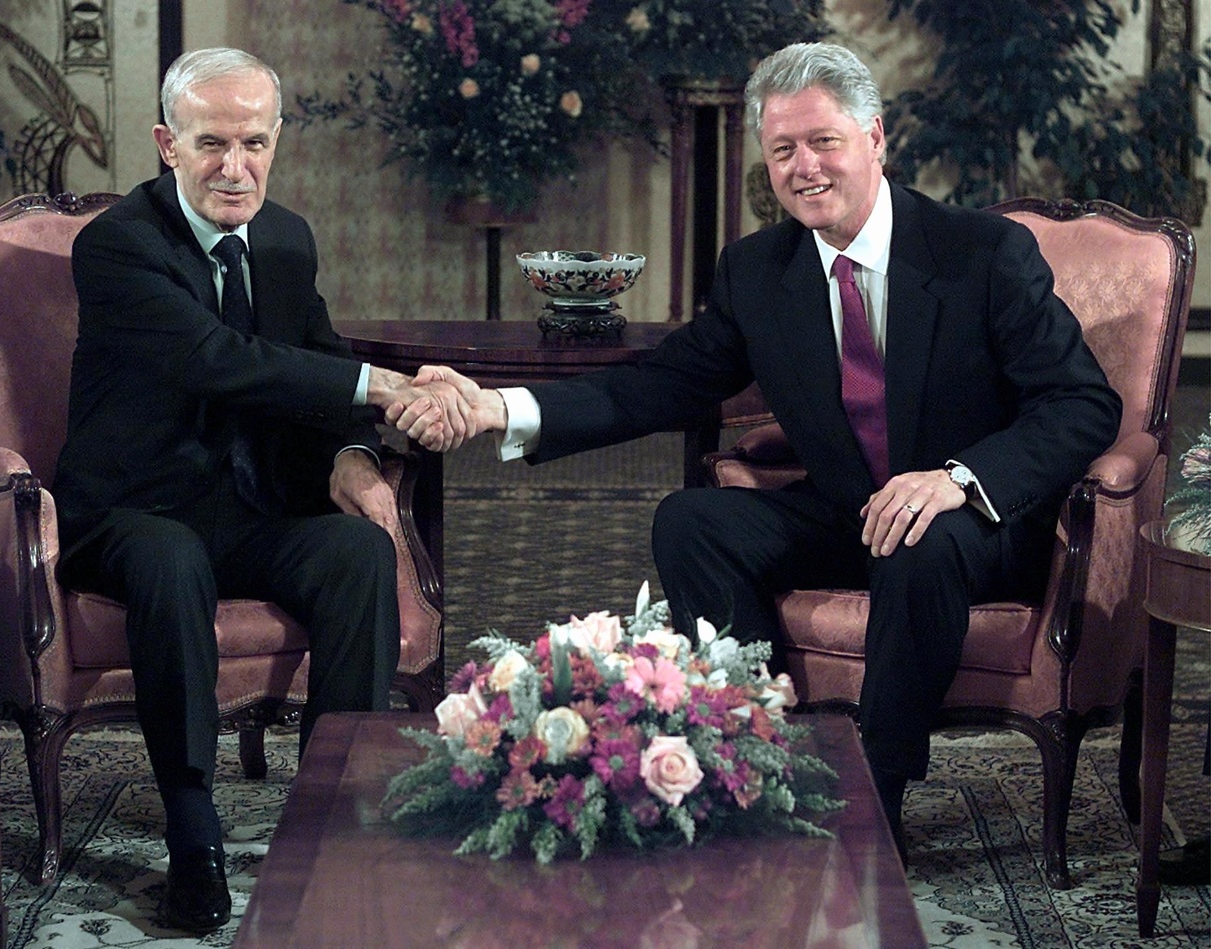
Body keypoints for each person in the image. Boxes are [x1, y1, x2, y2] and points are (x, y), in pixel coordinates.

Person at [394, 42, 1122, 865]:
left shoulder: (980, 253)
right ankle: (756, 750)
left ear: (876, 138)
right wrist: (496, 407)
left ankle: (874, 795)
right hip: (851, 509)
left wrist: (958, 479)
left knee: (922, 540)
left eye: (823, 142)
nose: (804, 167)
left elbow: (1084, 404)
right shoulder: (757, 271)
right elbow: (659, 385)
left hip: (974, 526)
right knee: (693, 521)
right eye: (782, 150)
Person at [52, 47, 464, 933]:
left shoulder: (284, 238)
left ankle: (334, 810)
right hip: (133, 508)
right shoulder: (117, 245)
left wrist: (352, 453)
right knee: (169, 559)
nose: (233, 167)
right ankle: (193, 836)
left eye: (252, 143)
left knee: (357, 548)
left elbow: (312, 359)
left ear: (276, 142)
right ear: (167, 143)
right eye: (210, 144)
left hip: (247, 507)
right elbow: (219, 362)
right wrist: (386, 388)